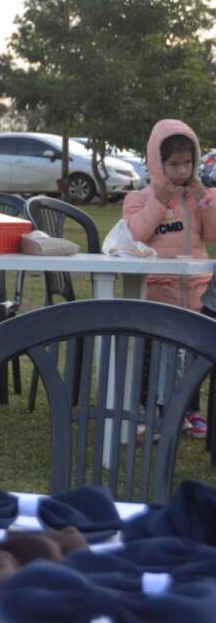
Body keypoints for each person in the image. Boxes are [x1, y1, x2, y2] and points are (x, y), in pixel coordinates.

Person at [123, 119, 215, 439]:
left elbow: (214, 234)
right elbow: (135, 236)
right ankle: (147, 411)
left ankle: (187, 411)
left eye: (187, 162)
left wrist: (205, 199)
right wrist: (159, 201)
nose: (181, 170)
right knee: (153, 354)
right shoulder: (139, 199)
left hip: (195, 293)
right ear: (157, 164)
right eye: (173, 164)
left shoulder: (200, 197)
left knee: (192, 355)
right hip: (156, 291)